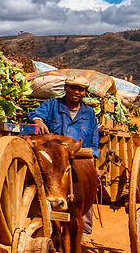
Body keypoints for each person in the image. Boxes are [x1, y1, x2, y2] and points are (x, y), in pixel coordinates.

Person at [32, 76, 101, 234]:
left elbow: (93, 141)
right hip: (55, 160)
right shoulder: (52, 105)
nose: (76, 92)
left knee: (86, 189)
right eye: (72, 87)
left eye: (80, 89)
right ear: (65, 88)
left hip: (78, 157)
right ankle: (46, 226)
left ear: (85, 92)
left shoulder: (89, 113)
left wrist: (92, 162)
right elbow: (36, 115)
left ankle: (84, 230)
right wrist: (39, 121)